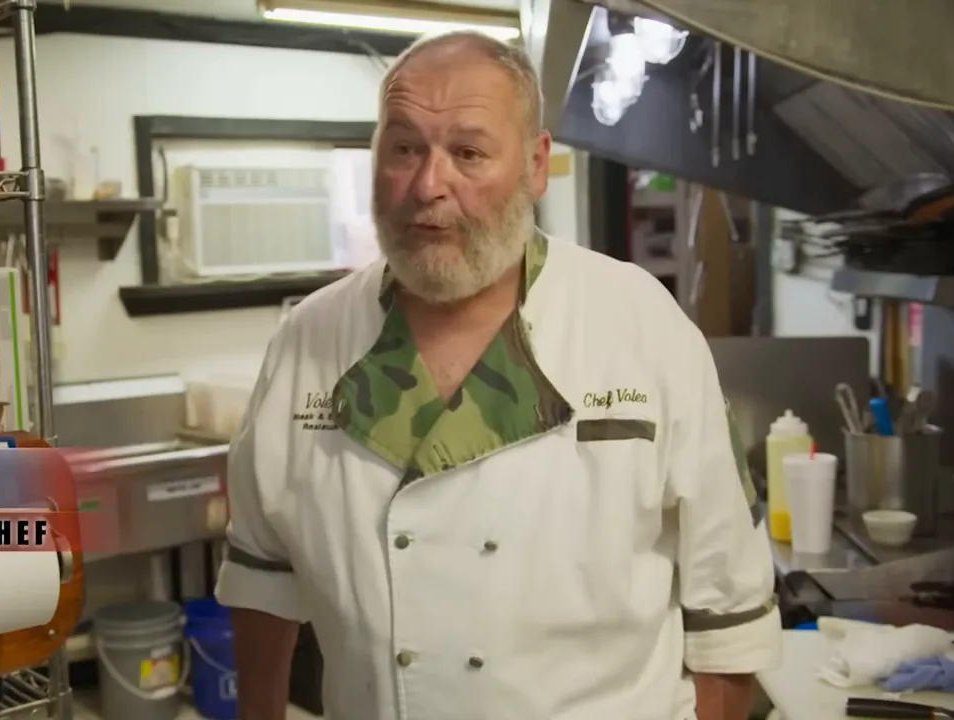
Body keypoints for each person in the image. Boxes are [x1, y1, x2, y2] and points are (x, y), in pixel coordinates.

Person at [215, 29, 780, 720]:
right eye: (404, 148)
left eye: (469, 152)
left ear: (536, 165)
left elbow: (727, 609)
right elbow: (262, 578)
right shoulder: (308, 339)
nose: (429, 185)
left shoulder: (640, 325)